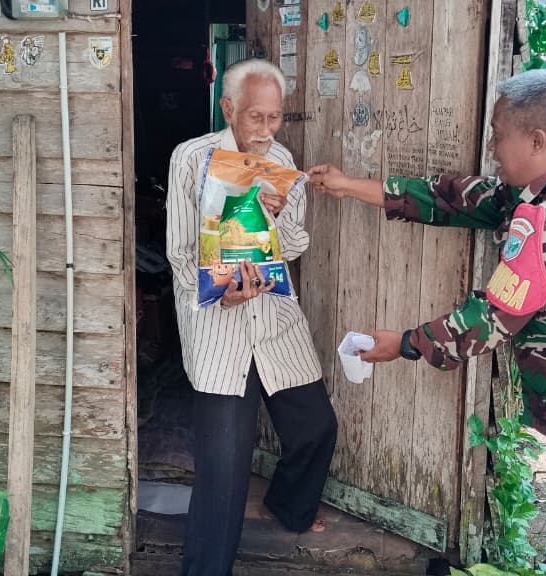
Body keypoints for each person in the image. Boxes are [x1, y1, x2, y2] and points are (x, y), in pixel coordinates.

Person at [307, 69, 546, 576]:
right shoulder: (539, 195)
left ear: (536, 140)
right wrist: (348, 186)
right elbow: (454, 197)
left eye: (498, 135)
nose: (492, 148)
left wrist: (405, 343)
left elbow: (491, 318)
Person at [165, 58, 337, 576]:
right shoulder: (191, 158)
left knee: (316, 428)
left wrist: (277, 217)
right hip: (219, 329)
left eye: (275, 117)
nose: (266, 130)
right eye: (255, 117)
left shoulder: (281, 159)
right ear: (228, 108)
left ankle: (288, 507)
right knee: (223, 472)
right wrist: (222, 294)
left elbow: (296, 244)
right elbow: (179, 253)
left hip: (274, 320)